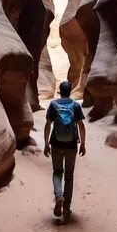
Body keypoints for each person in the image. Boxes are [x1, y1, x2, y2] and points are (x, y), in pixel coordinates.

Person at [43, 81, 86, 219]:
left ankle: (59, 195)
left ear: (60, 91)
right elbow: (81, 125)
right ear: (71, 91)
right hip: (71, 145)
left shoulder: (53, 105)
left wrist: (46, 144)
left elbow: (48, 125)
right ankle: (66, 208)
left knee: (57, 172)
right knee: (69, 176)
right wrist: (83, 143)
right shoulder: (75, 106)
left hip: (56, 144)